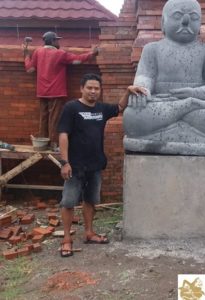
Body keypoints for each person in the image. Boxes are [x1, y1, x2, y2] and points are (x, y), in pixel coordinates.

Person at [123, 0, 205, 156]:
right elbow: (145, 75)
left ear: (200, 23)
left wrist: (193, 93)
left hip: (197, 105)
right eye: (177, 15)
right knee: (132, 117)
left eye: (193, 17)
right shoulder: (152, 49)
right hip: (164, 103)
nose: (186, 21)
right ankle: (188, 110)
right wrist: (141, 90)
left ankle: (176, 122)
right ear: (163, 22)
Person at [57, 73, 146, 257]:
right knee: (68, 202)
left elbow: (120, 107)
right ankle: (66, 239)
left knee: (90, 201)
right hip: (75, 165)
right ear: (82, 89)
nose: (93, 91)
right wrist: (64, 162)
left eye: (96, 88)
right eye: (89, 88)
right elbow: (63, 135)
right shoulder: (71, 108)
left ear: (100, 91)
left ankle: (89, 233)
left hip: (95, 165)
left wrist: (128, 91)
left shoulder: (101, 109)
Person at [23, 31, 99, 149]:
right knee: (54, 119)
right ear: (52, 41)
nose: (58, 42)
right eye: (57, 40)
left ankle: (42, 143)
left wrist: (26, 55)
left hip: (42, 92)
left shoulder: (38, 52)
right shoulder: (60, 54)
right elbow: (77, 60)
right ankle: (54, 144)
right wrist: (92, 54)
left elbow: (30, 69)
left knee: (43, 118)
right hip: (56, 92)